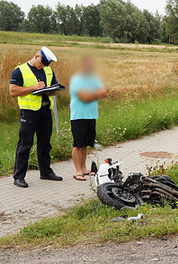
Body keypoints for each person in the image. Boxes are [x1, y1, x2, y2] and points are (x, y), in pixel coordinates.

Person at [8, 47, 63, 188]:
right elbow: (13, 91)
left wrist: (53, 91)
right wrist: (33, 88)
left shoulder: (48, 70)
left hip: (45, 110)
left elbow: (53, 87)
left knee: (45, 143)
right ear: (36, 56)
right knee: (25, 143)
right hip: (29, 112)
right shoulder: (19, 70)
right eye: (42, 63)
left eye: (46, 64)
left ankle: (45, 171)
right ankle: (18, 176)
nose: (43, 66)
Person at [69, 56, 107, 181]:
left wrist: (92, 93)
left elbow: (104, 92)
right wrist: (95, 93)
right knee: (78, 144)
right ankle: (77, 171)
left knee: (86, 144)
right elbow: (84, 97)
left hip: (91, 115)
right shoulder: (76, 80)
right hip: (79, 115)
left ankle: (84, 168)